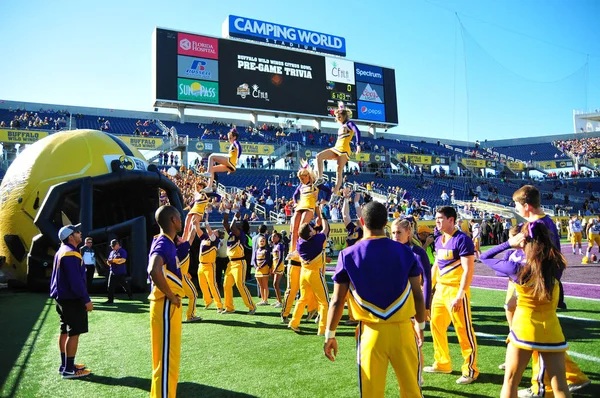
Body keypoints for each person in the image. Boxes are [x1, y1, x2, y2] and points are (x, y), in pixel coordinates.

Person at [325, 202, 426, 397]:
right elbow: (417, 294)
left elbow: (337, 300)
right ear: (386, 223)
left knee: (371, 393)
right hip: (403, 331)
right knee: (412, 391)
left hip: (370, 333)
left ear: (362, 221)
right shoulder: (405, 251)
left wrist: (330, 334)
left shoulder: (347, 254)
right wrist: (420, 326)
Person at [511, 185, 590, 397]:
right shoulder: (546, 221)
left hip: (540, 286)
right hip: (546, 283)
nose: (515, 208)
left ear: (526, 206)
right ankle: (565, 379)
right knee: (541, 338)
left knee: (540, 338)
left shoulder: (537, 225)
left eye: (517, 205)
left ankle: (540, 386)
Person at [480, 222, 571, 398]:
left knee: (510, 382)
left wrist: (508, 244)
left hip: (524, 328)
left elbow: (485, 257)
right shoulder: (555, 262)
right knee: (560, 387)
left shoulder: (517, 268)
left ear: (523, 241)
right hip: (552, 329)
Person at [424, 206, 479, 384]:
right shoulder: (439, 240)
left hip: (456, 291)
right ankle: (442, 363)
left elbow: (468, 269)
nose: (437, 221)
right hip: (440, 290)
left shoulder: (462, 239)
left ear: (451, 220)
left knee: (463, 330)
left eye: (440, 218)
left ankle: (470, 369)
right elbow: (436, 266)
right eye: (436, 217)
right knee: (436, 326)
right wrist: (429, 288)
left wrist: (460, 294)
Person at [391, 218, 432, 386]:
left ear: (409, 232)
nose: (395, 236)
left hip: (413, 304)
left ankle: (418, 375)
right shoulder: (389, 250)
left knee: (416, 344)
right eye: (393, 232)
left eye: (399, 232)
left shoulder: (417, 252)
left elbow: (428, 279)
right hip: (393, 306)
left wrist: (426, 305)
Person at [148, 205, 184, 398]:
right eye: (179, 217)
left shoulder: (168, 242)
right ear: (172, 220)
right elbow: (154, 270)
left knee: (167, 360)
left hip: (166, 306)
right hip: (166, 305)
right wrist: (170, 295)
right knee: (166, 361)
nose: (181, 220)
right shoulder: (163, 242)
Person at [50, 224, 93, 379]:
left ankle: (65, 365)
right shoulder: (70, 254)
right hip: (71, 299)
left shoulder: (63, 251)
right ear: (70, 237)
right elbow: (75, 281)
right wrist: (86, 300)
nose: (80, 234)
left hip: (62, 298)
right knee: (73, 333)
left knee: (64, 331)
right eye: (77, 232)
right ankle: (69, 370)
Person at [288, 206, 330, 335]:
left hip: (304, 273)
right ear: (311, 233)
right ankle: (322, 329)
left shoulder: (300, 242)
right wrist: (323, 216)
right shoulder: (316, 240)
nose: (313, 229)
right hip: (315, 273)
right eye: (312, 229)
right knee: (324, 302)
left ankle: (294, 322)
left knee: (303, 299)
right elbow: (326, 230)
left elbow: (304, 231)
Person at [287, 161, 331, 259]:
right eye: (300, 179)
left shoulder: (315, 184)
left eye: (302, 178)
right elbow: (295, 195)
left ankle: (299, 249)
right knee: (294, 228)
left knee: (301, 229)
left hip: (309, 207)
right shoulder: (301, 186)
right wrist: (295, 203)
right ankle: (293, 250)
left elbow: (328, 191)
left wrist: (325, 201)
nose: (301, 180)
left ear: (307, 176)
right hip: (300, 206)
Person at [315, 102, 361, 194]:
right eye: (337, 117)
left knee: (338, 171)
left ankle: (335, 194)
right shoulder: (341, 127)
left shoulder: (349, 123)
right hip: (336, 148)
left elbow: (357, 131)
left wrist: (358, 144)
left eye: (339, 117)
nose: (338, 119)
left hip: (344, 150)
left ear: (344, 116)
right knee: (319, 156)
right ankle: (320, 178)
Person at [221, 201, 256, 314]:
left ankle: (251, 306)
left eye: (239, 223)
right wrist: (227, 210)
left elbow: (231, 225)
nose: (237, 224)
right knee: (226, 285)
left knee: (240, 285)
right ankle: (229, 307)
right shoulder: (232, 234)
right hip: (231, 263)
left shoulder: (241, 234)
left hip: (239, 263)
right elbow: (225, 222)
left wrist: (235, 217)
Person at [196, 216, 224, 312]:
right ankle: (208, 301)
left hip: (209, 265)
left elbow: (209, 231)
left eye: (215, 231)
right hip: (201, 265)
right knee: (202, 284)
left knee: (212, 285)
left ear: (217, 235)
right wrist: (195, 224)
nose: (213, 231)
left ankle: (219, 305)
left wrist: (206, 220)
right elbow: (199, 231)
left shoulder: (215, 241)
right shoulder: (206, 238)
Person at [177, 216, 202, 323]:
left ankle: (174, 317)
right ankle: (190, 315)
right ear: (178, 242)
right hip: (182, 277)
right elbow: (191, 236)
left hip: (175, 277)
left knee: (177, 298)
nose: (181, 237)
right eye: (178, 237)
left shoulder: (175, 248)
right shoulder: (182, 248)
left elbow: (185, 235)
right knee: (194, 295)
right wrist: (195, 225)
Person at [105, 239, 132, 304]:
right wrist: (108, 262)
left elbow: (123, 260)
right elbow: (109, 261)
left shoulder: (122, 251)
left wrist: (113, 261)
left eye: (113, 246)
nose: (112, 247)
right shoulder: (112, 252)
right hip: (113, 271)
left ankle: (130, 295)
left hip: (120, 272)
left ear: (117, 244)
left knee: (124, 285)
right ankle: (110, 300)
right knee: (110, 286)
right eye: (111, 246)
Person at [253, 235, 272, 305]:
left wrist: (260, 266)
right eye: (261, 241)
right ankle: (262, 299)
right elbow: (254, 260)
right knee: (260, 285)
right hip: (258, 270)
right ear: (258, 242)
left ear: (265, 242)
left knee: (265, 285)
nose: (262, 242)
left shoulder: (266, 250)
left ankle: (266, 300)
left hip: (264, 269)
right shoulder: (256, 250)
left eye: (263, 241)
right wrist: (256, 267)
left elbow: (267, 260)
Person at [270, 231, 285, 308]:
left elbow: (281, 257)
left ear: (278, 238)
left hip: (279, 266)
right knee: (275, 284)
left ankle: (280, 302)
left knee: (275, 284)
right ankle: (278, 300)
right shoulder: (274, 245)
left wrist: (276, 267)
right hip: (274, 265)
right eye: (272, 236)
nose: (273, 237)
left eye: (275, 236)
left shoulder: (280, 245)